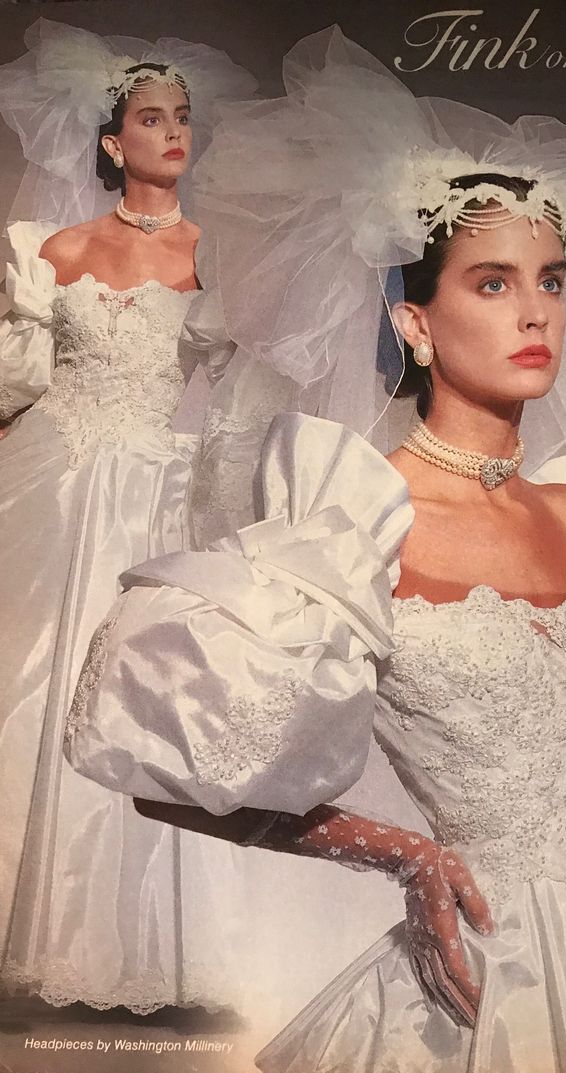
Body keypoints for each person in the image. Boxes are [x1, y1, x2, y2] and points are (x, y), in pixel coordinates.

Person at [65, 29, 566, 1071]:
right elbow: (165, 761)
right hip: (503, 969)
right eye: (492, 284)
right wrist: (407, 856)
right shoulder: (357, 521)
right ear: (414, 323)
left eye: (550, 282)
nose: (534, 313)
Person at [0, 20, 258, 1013]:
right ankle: (47, 921)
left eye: (184, 117)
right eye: (153, 117)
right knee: (38, 678)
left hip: (161, 485)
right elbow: (16, 383)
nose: (174, 132)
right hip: (55, 478)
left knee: (151, 685)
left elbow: (248, 390)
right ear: (114, 141)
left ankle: (148, 939)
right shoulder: (50, 246)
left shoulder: (221, 255)